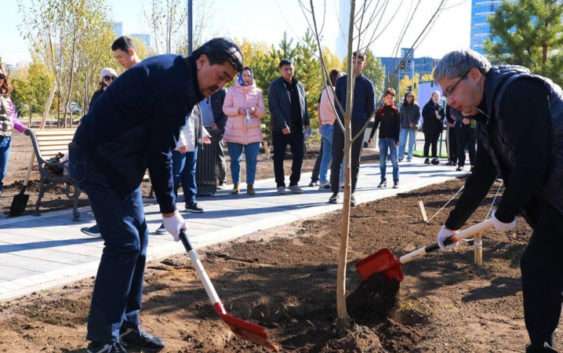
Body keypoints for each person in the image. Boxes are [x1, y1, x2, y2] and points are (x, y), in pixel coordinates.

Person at [69, 38, 243, 353]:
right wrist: (168, 210)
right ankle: (102, 341)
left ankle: (127, 326)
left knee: (139, 239)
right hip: (96, 159)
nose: (220, 85)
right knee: (124, 242)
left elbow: (157, 142)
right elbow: (159, 151)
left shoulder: (182, 78)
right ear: (202, 61)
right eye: (221, 75)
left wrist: (168, 208)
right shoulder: (175, 83)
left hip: (121, 164)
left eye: (227, 81)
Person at [434, 49, 563, 353]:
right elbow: (483, 173)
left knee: (538, 264)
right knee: (549, 266)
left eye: (451, 89)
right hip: (555, 193)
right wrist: (450, 225)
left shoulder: (517, 92)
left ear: (475, 75)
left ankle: (540, 347)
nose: (449, 100)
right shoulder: (487, 112)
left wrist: (505, 212)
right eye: (445, 93)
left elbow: (532, 161)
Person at [81, 36, 141, 237]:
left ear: (131, 52)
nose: (118, 61)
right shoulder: (126, 78)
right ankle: (119, 228)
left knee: (118, 188)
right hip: (117, 144)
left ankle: (114, 228)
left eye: (120, 57)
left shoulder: (142, 75)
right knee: (119, 191)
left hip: (129, 146)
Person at [328, 51, 375, 206]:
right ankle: (335, 192)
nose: (356, 65)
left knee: (354, 161)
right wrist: (344, 118)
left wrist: (362, 122)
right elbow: (337, 103)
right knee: (336, 159)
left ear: (363, 64)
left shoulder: (367, 85)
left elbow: (371, 109)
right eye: (354, 61)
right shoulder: (341, 82)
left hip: (358, 129)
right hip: (341, 126)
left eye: (359, 62)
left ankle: (351, 192)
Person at [268, 59, 310, 194]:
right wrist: (283, 125)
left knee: (299, 155)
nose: (289, 71)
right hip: (281, 129)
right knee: (279, 156)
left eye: (291, 68)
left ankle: (294, 182)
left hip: (297, 128)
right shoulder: (275, 86)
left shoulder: (300, 86)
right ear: (280, 70)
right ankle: (280, 184)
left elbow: (305, 106)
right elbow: (274, 108)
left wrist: (307, 122)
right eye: (286, 69)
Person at [223, 67, 265, 195]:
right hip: (234, 132)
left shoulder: (258, 92)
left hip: (253, 133)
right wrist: (237, 110)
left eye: (249, 75)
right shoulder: (231, 91)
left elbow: (262, 112)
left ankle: (250, 185)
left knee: (252, 160)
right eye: (245, 75)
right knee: (235, 161)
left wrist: (254, 110)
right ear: (240, 76)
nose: (247, 78)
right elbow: (225, 109)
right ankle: (236, 185)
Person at [0, 65, 28, 194]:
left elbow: (13, 119)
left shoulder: (7, 98)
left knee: (2, 172)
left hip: (6, 138)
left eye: (1, 77)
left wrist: (25, 130)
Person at [369, 88, 400, 188]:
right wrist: (370, 137)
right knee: (382, 161)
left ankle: (396, 181)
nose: (389, 99)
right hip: (382, 139)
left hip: (392, 139)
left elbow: (398, 126)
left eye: (391, 98)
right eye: (387, 97)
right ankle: (383, 180)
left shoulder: (396, 111)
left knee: (394, 161)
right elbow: (375, 125)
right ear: (384, 99)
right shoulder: (380, 111)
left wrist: (397, 139)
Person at [316, 69, 341, 190]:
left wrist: (320, 124)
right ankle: (340, 181)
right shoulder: (335, 91)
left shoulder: (324, 91)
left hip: (324, 126)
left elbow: (318, 109)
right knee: (340, 153)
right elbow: (337, 109)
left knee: (326, 156)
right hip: (332, 126)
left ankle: (322, 180)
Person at [199, 88, 228, 188]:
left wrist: (219, 124)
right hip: (200, 128)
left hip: (215, 128)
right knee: (201, 156)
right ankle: (204, 180)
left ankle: (222, 180)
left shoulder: (222, 92)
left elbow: (226, 112)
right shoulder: (199, 89)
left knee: (218, 153)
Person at [422, 90, 445, 165]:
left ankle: (434, 158)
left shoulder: (440, 107)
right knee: (427, 142)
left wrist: (439, 117)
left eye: (438, 96)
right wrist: (433, 115)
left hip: (436, 129)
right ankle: (426, 158)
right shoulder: (427, 106)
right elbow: (424, 115)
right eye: (435, 96)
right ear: (432, 97)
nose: (436, 98)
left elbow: (442, 117)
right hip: (428, 128)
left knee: (435, 143)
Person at [398, 91, 420, 162]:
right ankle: (401, 156)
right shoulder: (402, 106)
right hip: (403, 126)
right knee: (402, 142)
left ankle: (409, 156)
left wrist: (414, 123)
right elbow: (400, 116)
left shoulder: (416, 106)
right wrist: (400, 125)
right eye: (408, 96)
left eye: (411, 96)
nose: (409, 98)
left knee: (411, 142)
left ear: (413, 97)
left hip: (412, 127)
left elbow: (418, 116)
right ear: (405, 97)